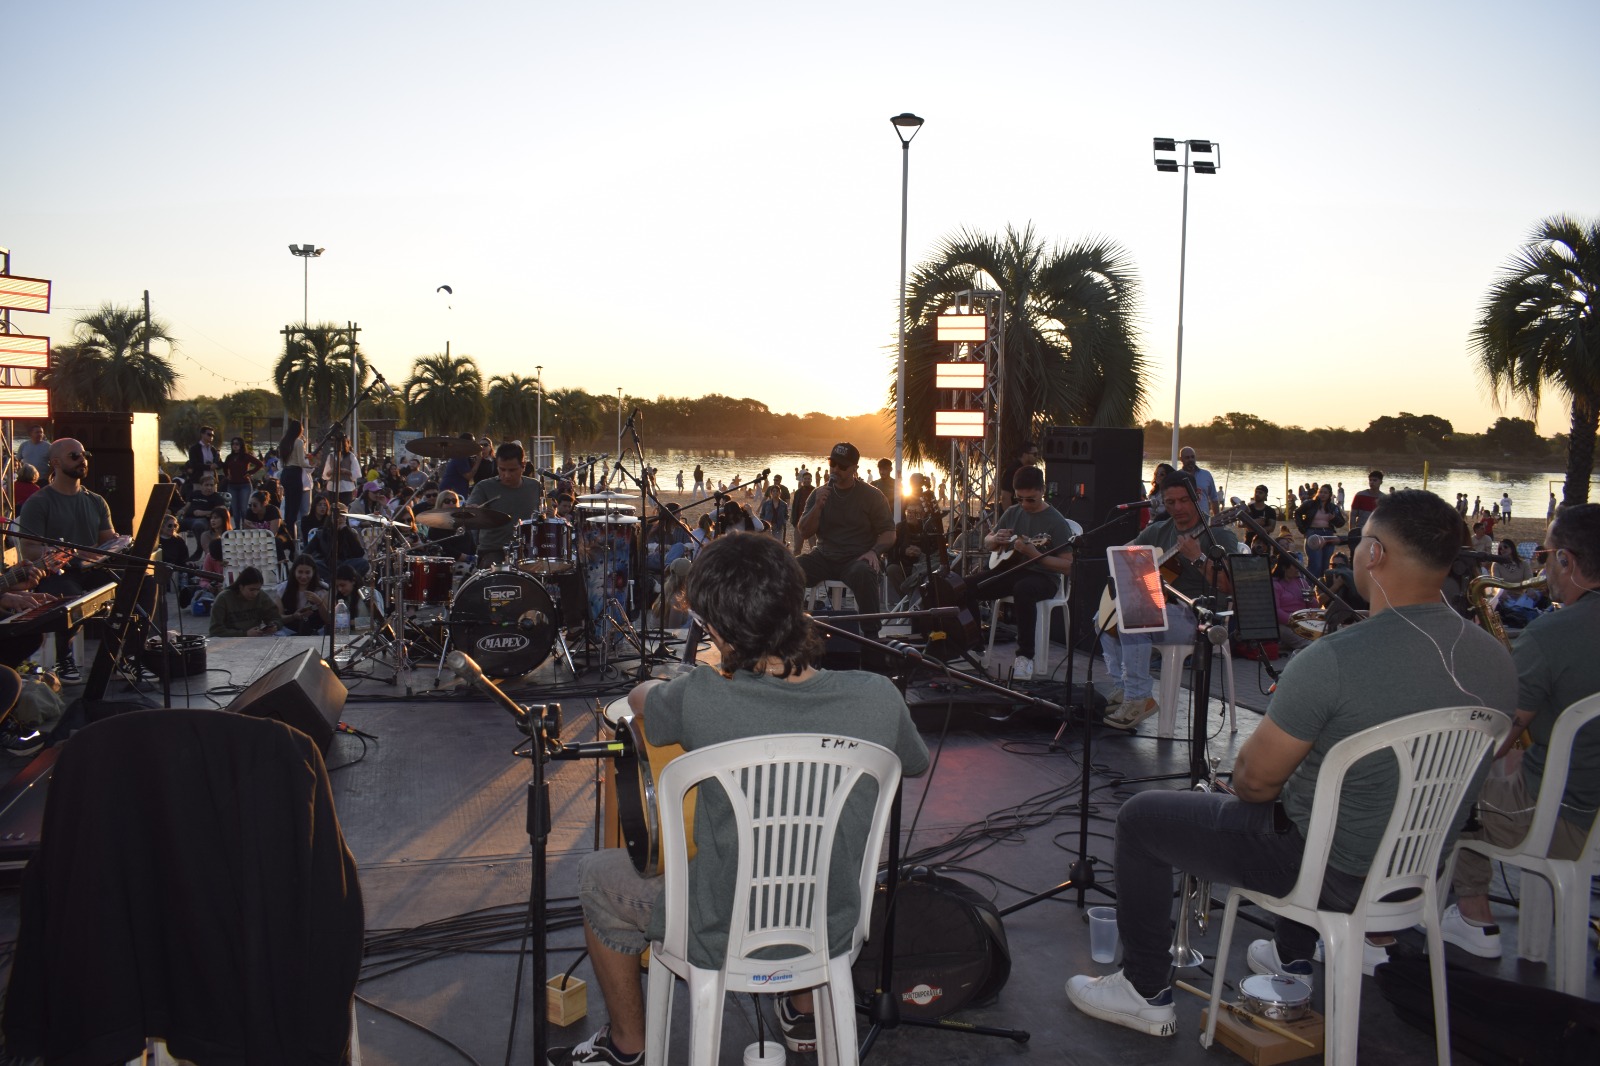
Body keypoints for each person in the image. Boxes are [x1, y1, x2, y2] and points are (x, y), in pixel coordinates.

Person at [1066, 489, 1517, 1039]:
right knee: (1319, 795)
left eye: (1361, 543)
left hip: (1325, 872)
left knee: (1144, 819)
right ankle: (1291, 958)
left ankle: (1143, 992)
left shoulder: (1333, 659)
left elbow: (1253, 784)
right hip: (1415, 877)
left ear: (1374, 554)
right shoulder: (1497, 660)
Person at [546, 533, 929, 1066]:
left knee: (596, 876)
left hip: (718, 928)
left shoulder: (701, 696)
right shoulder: (878, 697)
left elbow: (640, 700)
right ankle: (802, 1008)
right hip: (832, 920)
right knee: (807, 852)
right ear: (796, 603)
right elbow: (914, 762)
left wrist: (671, 682)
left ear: (720, 631)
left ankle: (628, 1046)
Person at [1445, 503, 1600, 957]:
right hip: (1591, 806)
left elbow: (1493, 739)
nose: (1543, 568)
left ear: (1567, 560)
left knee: (1445, 785)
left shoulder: (1552, 634)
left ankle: (1473, 917)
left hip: (1562, 817)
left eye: (1546, 556)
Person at [1099, 473, 1238, 731]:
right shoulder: (1158, 531)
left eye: (1184, 500)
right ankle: (1124, 687)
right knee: (1103, 619)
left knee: (1135, 617)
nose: (1178, 508)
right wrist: (1134, 573)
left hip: (1201, 619)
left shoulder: (1217, 533)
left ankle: (1139, 697)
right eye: (1170, 502)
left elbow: (1230, 585)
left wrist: (1197, 558)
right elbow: (1124, 558)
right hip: (1162, 610)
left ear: (1198, 496)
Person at [15, 438, 122, 680]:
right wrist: (67, 554)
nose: (82, 460)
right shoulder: (38, 502)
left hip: (93, 569)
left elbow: (107, 541)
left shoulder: (96, 500)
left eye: (85, 455)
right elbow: (30, 550)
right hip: (57, 572)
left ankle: (127, 656)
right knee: (69, 595)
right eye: (74, 456)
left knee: (141, 584)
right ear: (55, 462)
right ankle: (64, 657)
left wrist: (117, 544)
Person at [980, 466, 1076, 681]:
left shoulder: (1056, 522)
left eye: (1030, 499)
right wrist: (995, 540)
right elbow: (988, 542)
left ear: (1042, 491)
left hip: (1044, 577)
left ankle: (1025, 657)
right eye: (1019, 498)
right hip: (1011, 570)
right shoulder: (1012, 512)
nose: (1024, 504)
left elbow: (1068, 566)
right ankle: (973, 647)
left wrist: (1035, 554)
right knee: (965, 586)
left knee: (1023, 589)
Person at [794, 443, 894, 637]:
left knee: (865, 573)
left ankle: (871, 635)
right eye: (833, 464)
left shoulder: (872, 495)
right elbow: (804, 531)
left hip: (856, 558)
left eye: (842, 466)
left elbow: (889, 533)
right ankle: (790, 627)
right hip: (823, 556)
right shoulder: (819, 493)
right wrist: (818, 506)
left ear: (855, 468)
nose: (836, 470)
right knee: (789, 569)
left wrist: (874, 551)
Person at [466, 441, 544, 567]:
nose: (506, 475)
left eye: (512, 470)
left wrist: (551, 513)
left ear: (523, 466)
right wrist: (472, 511)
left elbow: (545, 515)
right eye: (502, 469)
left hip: (529, 550)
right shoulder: (484, 487)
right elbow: (470, 512)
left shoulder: (535, 486)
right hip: (493, 551)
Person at [208, 566, 283, 637]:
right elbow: (215, 631)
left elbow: (276, 618)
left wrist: (274, 626)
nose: (255, 593)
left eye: (258, 589)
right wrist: (244, 634)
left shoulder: (261, 596)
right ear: (241, 587)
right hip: (229, 640)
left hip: (255, 638)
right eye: (251, 590)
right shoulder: (223, 598)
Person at [1294, 483, 1346, 577]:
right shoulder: (1310, 504)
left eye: (1325, 493)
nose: (1322, 494)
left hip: (1328, 534)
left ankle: (1323, 584)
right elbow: (1297, 513)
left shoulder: (1333, 507)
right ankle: (1311, 584)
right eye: (1321, 492)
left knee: (1326, 564)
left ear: (1330, 495)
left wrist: (1334, 518)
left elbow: (1341, 523)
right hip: (1313, 533)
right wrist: (1302, 529)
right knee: (1315, 564)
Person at [306, 504, 368, 581]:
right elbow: (307, 552)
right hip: (326, 565)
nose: (340, 519)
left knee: (364, 563)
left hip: (345, 565)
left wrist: (346, 531)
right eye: (337, 516)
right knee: (315, 564)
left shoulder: (350, 533)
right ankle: (333, 581)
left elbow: (359, 553)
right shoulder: (321, 533)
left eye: (342, 516)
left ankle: (342, 580)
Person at [276, 555, 331, 635]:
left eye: (307, 572)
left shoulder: (322, 589)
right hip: (290, 631)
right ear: (294, 571)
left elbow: (329, 619)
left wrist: (319, 602)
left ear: (313, 572)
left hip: (316, 631)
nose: (304, 576)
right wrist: (293, 616)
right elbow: (278, 618)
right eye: (300, 572)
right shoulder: (283, 589)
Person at [278, 419, 312, 541]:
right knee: (295, 507)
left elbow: (284, 461)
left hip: (286, 473)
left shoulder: (284, 441)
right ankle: (292, 534)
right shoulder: (298, 442)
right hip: (295, 474)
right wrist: (312, 465)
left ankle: (287, 531)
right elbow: (301, 462)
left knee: (288, 505)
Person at [221, 437, 264, 519]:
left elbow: (260, 464)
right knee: (235, 509)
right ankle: (237, 526)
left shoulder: (246, 456)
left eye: (237, 444)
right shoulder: (229, 457)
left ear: (241, 445)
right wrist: (227, 475)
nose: (235, 446)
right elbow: (225, 467)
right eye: (233, 444)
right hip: (232, 485)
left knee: (244, 509)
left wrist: (250, 472)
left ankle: (245, 525)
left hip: (244, 485)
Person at [996, 440, 1039, 512]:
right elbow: (1005, 496)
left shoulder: (1027, 471)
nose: (1037, 457)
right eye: (1034, 454)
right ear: (1025, 454)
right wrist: (1010, 516)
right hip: (1015, 514)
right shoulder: (1013, 471)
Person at [180, 473, 228, 539]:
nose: (209, 487)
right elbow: (187, 506)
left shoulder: (217, 497)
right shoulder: (195, 493)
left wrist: (203, 512)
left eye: (211, 485)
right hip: (187, 518)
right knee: (171, 523)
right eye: (206, 485)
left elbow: (222, 511)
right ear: (201, 486)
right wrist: (182, 510)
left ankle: (201, 545)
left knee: (198, 525)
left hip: (203, 520)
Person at [1176, 447, 1219, 517]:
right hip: (1185, 518)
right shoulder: (1176, 476)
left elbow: (1214, 498)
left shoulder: (1206, 475)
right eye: (1187, 457)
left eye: (1192, 457)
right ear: (1181, 459)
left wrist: (1217, 518)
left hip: (1204, 518)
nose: (1190, 460)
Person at [320, 438, 361, 504]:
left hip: (346, 488)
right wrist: (331, 471)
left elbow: (357, 473)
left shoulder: (351, 456)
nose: (340, 446)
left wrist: (347, 472)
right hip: (332, 488)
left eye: (342, 444)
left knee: (345, 507)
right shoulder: (331, 456)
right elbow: (325, 474)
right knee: (333, 506)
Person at [1241, 484, 1277, 551]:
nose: (1257, 494)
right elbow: (1240, 524)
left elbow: (1271, 528)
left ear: (1265, 495)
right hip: (1248, 542)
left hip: (1263, 543)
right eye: (1256, 492)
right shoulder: (1248, 509)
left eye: (1260, 493)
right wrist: (1256, 522)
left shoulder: (1270, 511)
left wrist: (1253, 528)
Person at [1349, 469, 1384, 533]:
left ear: (1381, 482)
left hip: (1377, 531)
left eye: (1375, 480)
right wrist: (1352, 531)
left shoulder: (1384, 499)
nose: (1372, 482)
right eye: (1370, 480)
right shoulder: (1360, 495)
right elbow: (1353, 515)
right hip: (1361, 529)